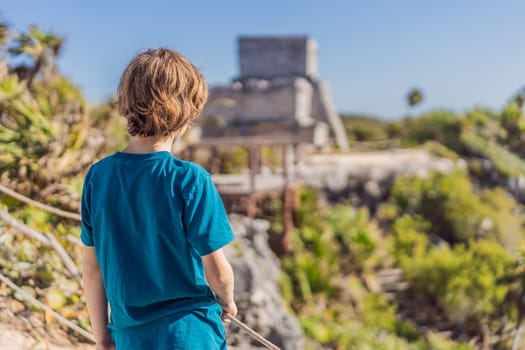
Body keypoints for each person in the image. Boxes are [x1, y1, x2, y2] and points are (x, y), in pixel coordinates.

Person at [81, 48, 237, 350]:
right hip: (189, 333)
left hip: (129, 335)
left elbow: (92, 269)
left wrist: (102, 337)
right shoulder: (190, 178)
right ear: (187, 111)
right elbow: (217, 273)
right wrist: (227, 301)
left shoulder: (98, 177)